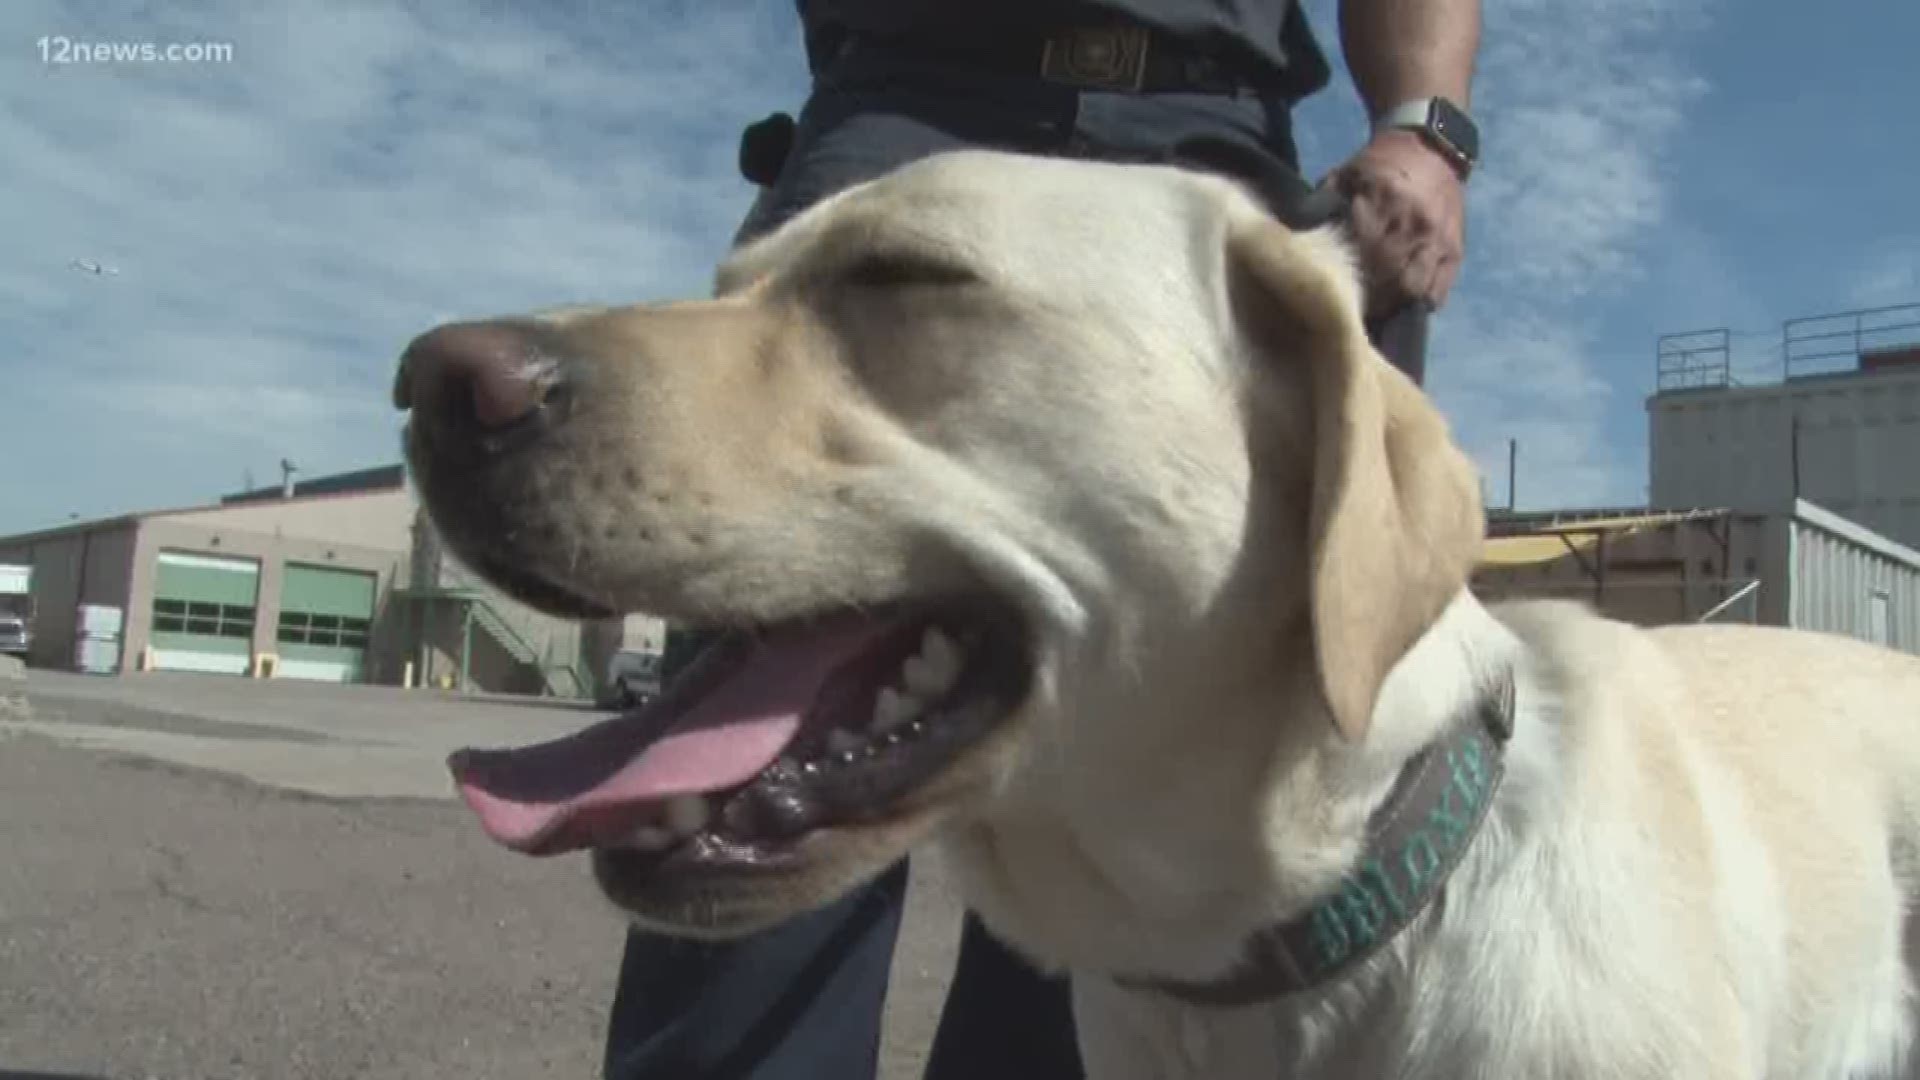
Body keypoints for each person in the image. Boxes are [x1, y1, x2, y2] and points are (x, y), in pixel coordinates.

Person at [603, 2, 1482, 1077]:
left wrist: (1426, 127)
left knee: (1149, 790)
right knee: (778, 626)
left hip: (1211, 120)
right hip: (913, 83)